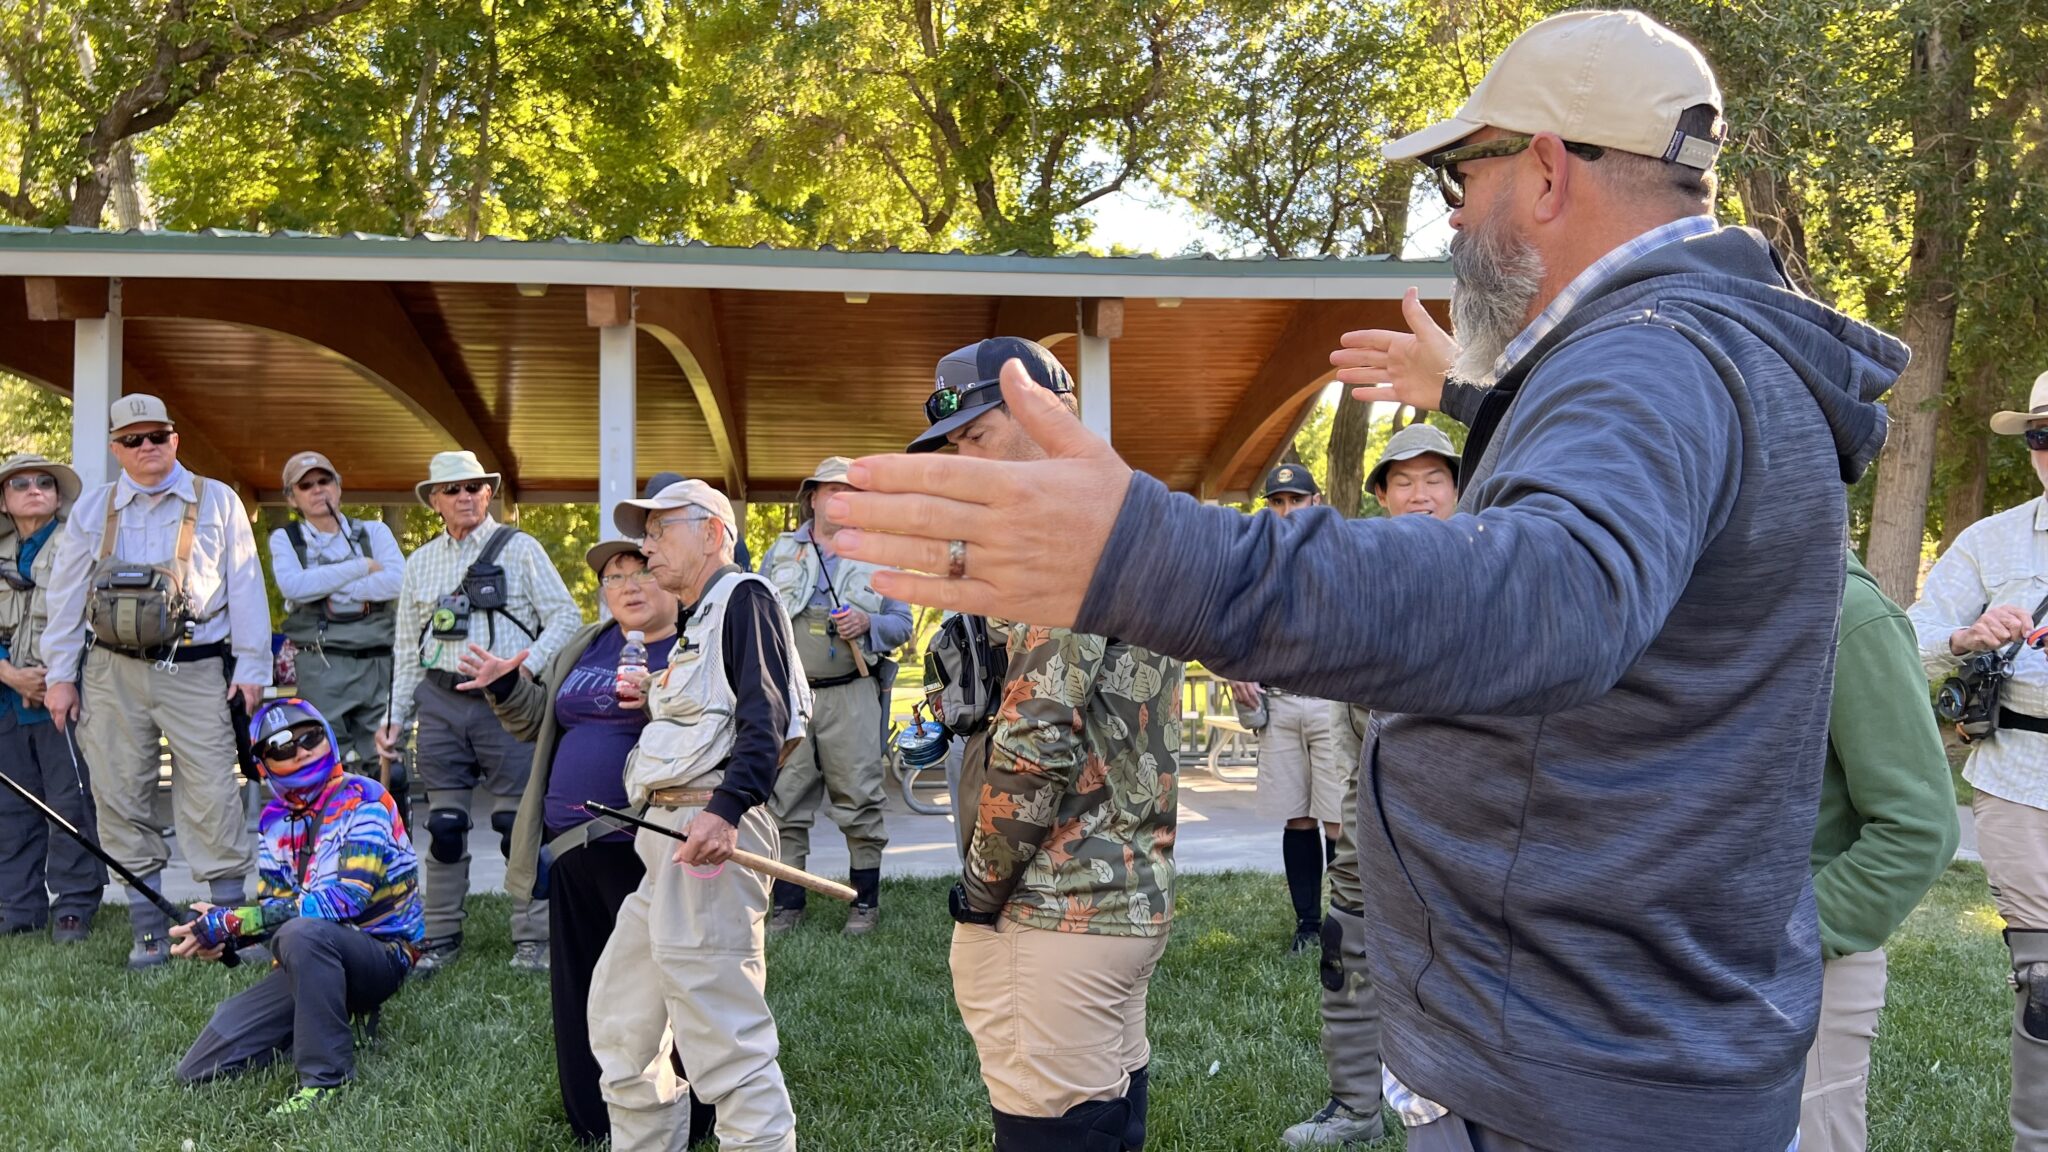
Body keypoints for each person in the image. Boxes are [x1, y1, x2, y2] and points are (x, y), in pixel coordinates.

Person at [825, 12, 1905, 1150]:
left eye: (1458, 169)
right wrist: (1489, 404)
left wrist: (1145, 551)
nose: (1449, 208)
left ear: (1543, 168)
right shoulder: (1688, 353)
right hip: (1619, 1053)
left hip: (1579, 1082)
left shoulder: (1650, 353)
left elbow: (1554, 595)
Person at [912, 336, 1183, 1152]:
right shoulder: (1135, 516)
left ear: (1048, 407)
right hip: (1124, 893)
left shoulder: (1063, 533)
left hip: (1054, 905)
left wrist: (980, 889)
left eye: (979, 435)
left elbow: (1038, 743)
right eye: (955, 445)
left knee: (1054, 1131)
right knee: (1110, 1121)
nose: (967, 460)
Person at [466, 538, 714, 1147]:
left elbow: (717, 730)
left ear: (670, 577)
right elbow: (535, 720)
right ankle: (594, 1115)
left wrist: (657, 695)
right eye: (614, 577)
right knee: (584, 983)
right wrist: (505, 687)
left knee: (662, 985)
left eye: (641, 572)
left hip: (647, 844)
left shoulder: (697, 645)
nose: (628, 586)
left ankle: (689, 1111)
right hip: (568, 845)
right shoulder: (589, 642)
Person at [587, 478, 810, 1152]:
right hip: (668, 841)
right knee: (623, 1022)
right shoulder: (697, 620)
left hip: (706, 832)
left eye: (659, 530)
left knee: (724, 1040)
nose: (646, 546)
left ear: (713, 532)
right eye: (645, 533)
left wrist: (725, 812)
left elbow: (767, 718)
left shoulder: (745, 596)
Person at [41, 394, 270, 969]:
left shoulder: (218, 500)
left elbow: (245, 586)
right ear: (117, 449)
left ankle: (224, 924)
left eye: (159, 436)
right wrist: (60, 676)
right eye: (134, 440)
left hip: (195, 667)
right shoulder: (94, 509)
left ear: (176, 439)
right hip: (110, 671)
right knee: (118, 792)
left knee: (214, 791)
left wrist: (252, 669)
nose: (149, 449)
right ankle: (148, 930)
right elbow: (65, 597)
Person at [1283, 422, 1460, 1150]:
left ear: (1459, 488)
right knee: (1345, 949)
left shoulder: (1499, 569)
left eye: (1435, 481)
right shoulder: (1364, 585)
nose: (1420, 497)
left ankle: (1463, 1109)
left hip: (1462, 837)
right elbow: (1355, 731)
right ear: (1382, 494)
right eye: (1404, 483)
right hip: (1374, 823)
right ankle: (1355, 1105)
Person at [1907, 366, 2048, 1152]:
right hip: (2020, 777)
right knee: (2044, 982)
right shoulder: (1989, 541)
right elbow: (1911, 639)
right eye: (2041, 435)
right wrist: (1967, 637)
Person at [375, 450, 581, 973]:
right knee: (443, 823)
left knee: (518, 822)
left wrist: (524, 668)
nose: (465, 497)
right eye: (452, 490)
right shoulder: (420, 562)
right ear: (435, 502)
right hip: (440, 703)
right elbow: (407, 648)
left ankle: (533, 935)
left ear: (488, 494)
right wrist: (395, 718)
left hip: (506, 704)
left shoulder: (523, 549)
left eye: (474, 488)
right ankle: (440, 934)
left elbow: (565, 616)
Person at [172, 697, 422, 1115]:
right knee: (199, 1067)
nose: (302, 749)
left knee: (302, 933)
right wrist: (226, 938)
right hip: (310, 954)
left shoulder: (366, 799)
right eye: (283, 747)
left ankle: (327, 1079)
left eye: (311, 736)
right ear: (263, 764)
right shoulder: (272, 820)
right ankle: (331, 1018)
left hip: (383, 954)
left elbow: (346, 899)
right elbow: (276, 909)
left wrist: (235, 921)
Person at [1796, 549, 1957, 1151]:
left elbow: (1918, 827)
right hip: (1699, 968)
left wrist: (1786, 934)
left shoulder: (1850, 610)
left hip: (1811, 972)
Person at [760, 455, 911, 935]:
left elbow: (902, 625)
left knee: (862, 797)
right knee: (784, 799)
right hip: (791, 696)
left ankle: (863, 904)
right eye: (831, 490)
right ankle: (788, 905)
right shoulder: (780, 552)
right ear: (812, 499)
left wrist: (869, 623)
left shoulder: (882, 554)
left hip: (853, 693)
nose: (841, 499)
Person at [1227, 463, 1351, 955]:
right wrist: (1237, 666)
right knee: (1297, 819)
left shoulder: (1340, 556)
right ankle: (1307, 925)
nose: (1285, 510)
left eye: (1295, 500)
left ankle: (1347, 924)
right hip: (1277, 705)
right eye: (1277, 502)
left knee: (1339, 821)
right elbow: (1235, 627)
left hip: (1329, 702)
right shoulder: (1257, 565)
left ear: (1315, 501)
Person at [0, 453, 105, 941]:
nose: (34, 488)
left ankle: (74, 905)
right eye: (19, 483)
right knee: (10, 807)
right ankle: (18, 911)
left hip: (65, 696)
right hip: (6, 699)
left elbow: (95, 617)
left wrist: (58, 677)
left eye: (45, 482)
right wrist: (12, 676)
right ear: (4, 499)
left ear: (59, 496)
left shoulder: (79, 545)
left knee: (70, 802)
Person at [268, 451, 405, 772]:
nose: (317, 489)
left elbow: (399, 582)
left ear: (338, 487)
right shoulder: (285, 539)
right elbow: (293, 587)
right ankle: (334, 822)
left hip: (379, 666)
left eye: (324, 480)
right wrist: (362, 567)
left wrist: (325, 587)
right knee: (325, 763)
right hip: (320, 666)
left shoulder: (375, 532)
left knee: (389, 765)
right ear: (292, 498)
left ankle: (389, 822)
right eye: (305, 485)